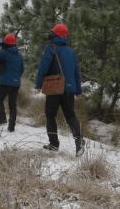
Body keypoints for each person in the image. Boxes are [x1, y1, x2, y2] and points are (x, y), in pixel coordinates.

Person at [35, 22, 85, 156]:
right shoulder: (71, 51)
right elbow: (76, 72)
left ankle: (53, 144)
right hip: (69, 89)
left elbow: (43, 67)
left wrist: (39, 83)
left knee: (50, 115)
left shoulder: (50, 48)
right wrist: (78, 89)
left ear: (55, 34)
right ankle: (79, 142)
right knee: (70, 115)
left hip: (55, 88)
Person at [0, 33, 24, 132]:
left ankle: (2, 119)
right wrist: (16, 77)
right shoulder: (19, 55)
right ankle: (11, 127)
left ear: (6, 43)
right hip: (16, 83)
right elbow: (22, 69)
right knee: (12, 105)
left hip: (5, 82)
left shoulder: (4, 53)